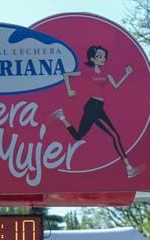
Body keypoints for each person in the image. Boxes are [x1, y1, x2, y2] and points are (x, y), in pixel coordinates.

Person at [51, 45, 142, 179]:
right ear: (93, 59)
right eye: (99, 56)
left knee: (77, 136)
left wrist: (127, 74)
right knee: (115, 136)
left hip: (98, 107)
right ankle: (129, 168)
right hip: (92, 107)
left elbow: (116, 86)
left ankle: (61, 116)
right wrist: (69, 90)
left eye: (104, 56)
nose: (103, 58)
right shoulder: (88, 71)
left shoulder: (106, 73)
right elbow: (67, 75)